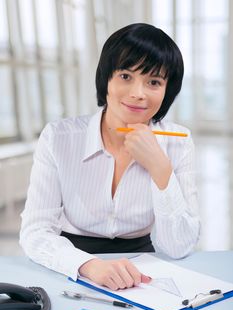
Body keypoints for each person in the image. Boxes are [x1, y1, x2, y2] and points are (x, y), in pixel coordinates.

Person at [20, 23, 200, 291]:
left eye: (153, 82)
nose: (138, 93)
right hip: (69, 262)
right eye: (126, 76)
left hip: (144, 268)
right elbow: (35, 232)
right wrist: (89, 266)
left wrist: (160, 168)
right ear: (106, 79)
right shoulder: (58, 137)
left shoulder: (179, 143)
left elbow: (179, 247)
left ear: (167, 90)